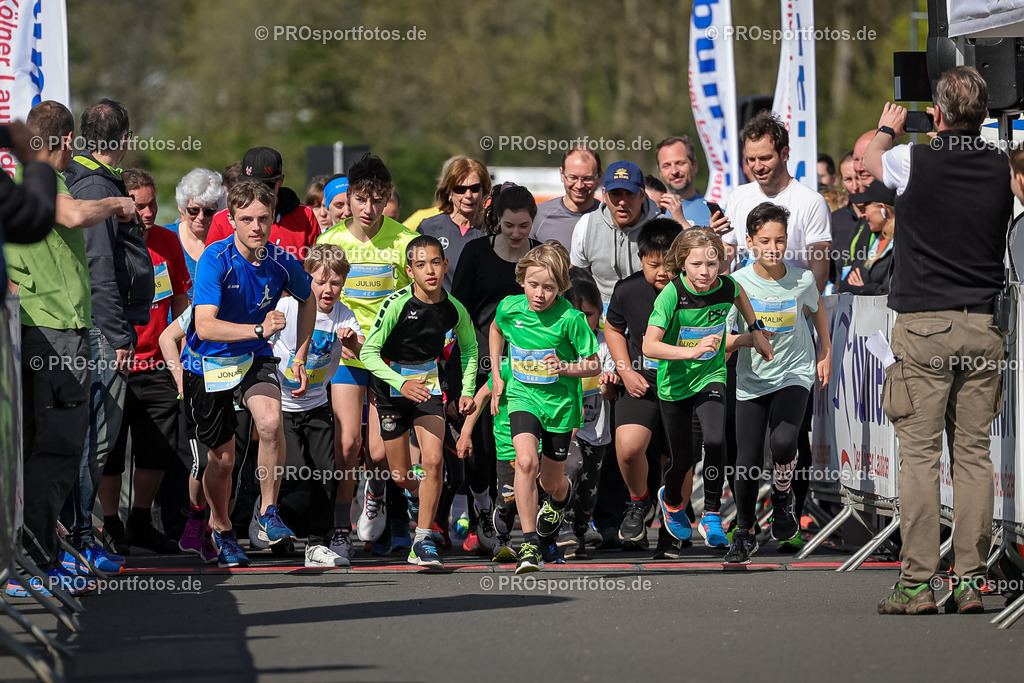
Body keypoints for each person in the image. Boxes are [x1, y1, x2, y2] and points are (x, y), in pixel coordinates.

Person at [865, 66, 1013, 615]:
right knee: (974, 457)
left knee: (920, 457)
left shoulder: (914, 158)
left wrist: (888, 127)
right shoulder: (1001, 167)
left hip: (925, 323)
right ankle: (972, 579)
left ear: (940, 114)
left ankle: (917, 584)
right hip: (982, 323)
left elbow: (871, 162)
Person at [4, 101, 133, 596]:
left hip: (35, 333)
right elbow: (76, 213)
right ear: (68, 140)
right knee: (57, 449)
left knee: (39, 449)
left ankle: (36, 558)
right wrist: (116, 205)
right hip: (58, 333)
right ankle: (33, 563)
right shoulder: (44, 182)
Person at [183, 179, 315, 567]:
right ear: (233, 220)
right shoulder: (215, 258)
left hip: (254, 357)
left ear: (273, 218)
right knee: (221, 461)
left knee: (271, 423)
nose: (256, 227)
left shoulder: (281, 260)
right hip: (209, 361)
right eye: (247, 219)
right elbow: (205, 326)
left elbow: (309, 300)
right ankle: (221, 529)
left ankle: (269, 511)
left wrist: (301, 357)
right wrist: (259, 329)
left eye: (263, 218)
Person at [61, 98, 154, 573]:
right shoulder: (96, 183)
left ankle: (77, 535)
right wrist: (119, 336)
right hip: (101, 333)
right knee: (96, 439)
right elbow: (100, 268)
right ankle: (77, 537)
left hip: (96, 329)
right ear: (122, 141)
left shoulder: (91, 181)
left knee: (92, 439)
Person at [642, 228, 772, 544]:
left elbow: (738, 292)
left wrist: (754, 330)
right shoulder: (671, 294)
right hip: (674, 384)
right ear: (682, 263)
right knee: (684, 460)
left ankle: (711, 513)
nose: (705, 272)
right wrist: (692, 351)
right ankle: (671, 500)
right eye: (697, 264)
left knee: (715, 440)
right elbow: (649, 346)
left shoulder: (725, 287)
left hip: (710, 375)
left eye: (712, 265)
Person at [317, 155, 419, 553]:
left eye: (378, 200)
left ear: (388, 198)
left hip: (384, 359)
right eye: (361, 199)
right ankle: (340, 529)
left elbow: (416, 302)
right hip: (343, 357)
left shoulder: (404, 241)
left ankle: (374, 492)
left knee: (378, 451)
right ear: (349, 197)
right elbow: (315, 298)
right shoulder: (331, 242)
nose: (369, 209)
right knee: (346, 447)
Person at [359, 234, 478, 568]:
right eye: (421, 264)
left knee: (434, 461)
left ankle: (423, 539)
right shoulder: (397, 304)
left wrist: (466, 389)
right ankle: (414, 495)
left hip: (428, 391)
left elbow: (469, 348)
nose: (430, 270)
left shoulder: (453, 308)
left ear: (445, 266)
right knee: (400, 475)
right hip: (390, 390)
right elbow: (369, 351)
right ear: (410, 270)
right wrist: (400, 382)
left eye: (436, 262)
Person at [724, 202, 831, 564]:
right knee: (747, 460)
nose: (773, 247)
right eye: (765, 240)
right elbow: (723, 337)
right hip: (751, 377)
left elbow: (817, 312)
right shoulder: (736, 283)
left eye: (781, 240)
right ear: (750, 242)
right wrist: (746, 341)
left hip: (794, 371)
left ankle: (783, 495)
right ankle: (744, 530)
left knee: (784, 441)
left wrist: (825, 352)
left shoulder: (802, 279)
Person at [490, 242, 600, 573]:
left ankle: (559, 501)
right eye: (534, 285)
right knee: (524, 462)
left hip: (561, 406)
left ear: (560, 287)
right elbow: (496, 329)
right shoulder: (510, 307)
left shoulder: (570, 318)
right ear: (522, 280)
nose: (540, 294)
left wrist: (565, 368)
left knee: (552, 482)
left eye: (549, 287)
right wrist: (496, 374)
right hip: (523, 397)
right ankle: (530, 544)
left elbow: (593, 365)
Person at [97, 169, 191, 555]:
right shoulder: (109, 242)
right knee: (112, 450)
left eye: (152, 203)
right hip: (117, 363)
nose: (148, 212)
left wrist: (181, 353)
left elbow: (183, 301)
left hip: (158, 364)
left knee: (158, 448)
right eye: (139, 205)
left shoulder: (169, 243)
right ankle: (111, 524)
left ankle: (139, 520)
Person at [451, 183, 542, 551]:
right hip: (477, 359)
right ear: (497, 222)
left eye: (524, 226)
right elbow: (457, 310)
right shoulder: (476, 252)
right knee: (480, 445)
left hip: (527, 365)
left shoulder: (541, 256)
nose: (517, 234)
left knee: (516, 447)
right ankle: (481, 506)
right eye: (509, 226)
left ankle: (508, 517)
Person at [272, 244, 364, 567]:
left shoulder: (343, 314)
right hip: (282, 406)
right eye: (321, 281)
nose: (328, 290)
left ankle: (317, 543)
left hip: (316, 405)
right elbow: (264, 347)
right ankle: (268, 513)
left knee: (328, 473)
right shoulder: (287, 307)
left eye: (336, 282)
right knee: (296, 472)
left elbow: (360, 347)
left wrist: (352, 341)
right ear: (306, 279)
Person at [605, 218, 683, 552]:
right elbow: (612, 329)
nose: (662, 273)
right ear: (641, 261)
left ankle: (673, 521)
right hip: (642, 383)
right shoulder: (627, 290)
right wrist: (625, 370)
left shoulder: (698, 290)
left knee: (679, 457)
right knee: (629, 446)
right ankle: (639, 502)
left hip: (685, 385)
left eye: (670, 265)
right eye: (654, 265)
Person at [722, 111, 831, 291]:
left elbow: (820, 272)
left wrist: (801, 313)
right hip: (745, 307)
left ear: (785, 153)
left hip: (791, 305)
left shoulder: (811, 201)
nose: (757, 167)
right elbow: (726, 257)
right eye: (751, 159)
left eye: (765, 158)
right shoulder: (738, 196)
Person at [562, 279, 619, 559]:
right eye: (577, 314)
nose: (583, 320)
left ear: (599, 312)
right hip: (567, 428)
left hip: (597, 431)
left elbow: (609, 395)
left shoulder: (605, 345)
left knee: (588, 492)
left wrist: (608, 382)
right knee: (570, 468)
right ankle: (561, 531)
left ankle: (580, 532)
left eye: (589, 314)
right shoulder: (562, 341)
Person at [569, 161, 661, 303]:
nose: (622, 202)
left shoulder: (662, 227)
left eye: (629, 193)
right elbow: (579, 282)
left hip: (651, 314)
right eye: (616, 194)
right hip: (600, 316)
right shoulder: (586, 226)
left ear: (642, 195)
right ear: (604, 194)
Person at [205, 146, 321, 255]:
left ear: (280, 180)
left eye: (268, 185)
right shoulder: (222, 220)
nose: (261, 192)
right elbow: (210, 266)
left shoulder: (305, 216)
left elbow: (317, 270)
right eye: (253, 185)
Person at [419, 157, 491, 289]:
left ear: (484, 191)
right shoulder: (429, 228)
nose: (468, 195)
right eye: (460, 189)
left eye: (474, 188)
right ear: (449, 192)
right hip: (440, 308)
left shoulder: (494, 231)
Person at [531, 147, 602, 248]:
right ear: (562, 174)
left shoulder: (608, 217)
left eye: (587, 179)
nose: (579, 185)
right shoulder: (538, 215)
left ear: (599, 177)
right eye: (573, 177)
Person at [173, 168, 226, 298]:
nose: (201, 217)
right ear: (182, 207)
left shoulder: (226, 243)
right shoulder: (166, 237)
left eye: (208, 211)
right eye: (194, 210)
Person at [837, 182, 896, 296]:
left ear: (883, 209)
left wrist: (863, 289)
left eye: (865, 208)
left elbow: (891, 290)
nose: (862, 215)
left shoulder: (902, 243)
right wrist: (869, 289)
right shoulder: (871, 236)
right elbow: (843, 285)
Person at [656, 135, 712, 226]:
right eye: (666, 166)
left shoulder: (714, 215)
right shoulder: (647, 211)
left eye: (680, 163)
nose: (674, 171)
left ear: (694, 165)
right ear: (660, 171)